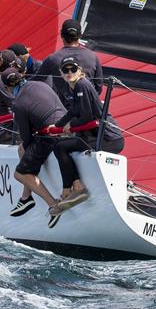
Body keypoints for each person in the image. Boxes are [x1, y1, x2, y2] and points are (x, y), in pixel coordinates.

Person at [48, 56, 124, 211]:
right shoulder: (75, 87)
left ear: (80, 71)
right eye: (66, 70)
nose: (69, 72)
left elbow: (86, 116)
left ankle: (72, 189)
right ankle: (75, 187)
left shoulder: (81, 85)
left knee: (60, 147)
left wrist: (68, 128)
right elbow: (74, 111)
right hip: (101, 137)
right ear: (61, 73)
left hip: (108, 139)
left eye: (73, 69)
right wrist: (57, 125)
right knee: (61, 145)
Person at [9, 79, 68, 228]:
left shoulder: (18, 103)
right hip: (67, 127)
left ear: (9, 87)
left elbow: (26, 137)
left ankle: (54, 206)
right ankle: (26, 197)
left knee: (20, 174)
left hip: (51, 136)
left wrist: (29, 165)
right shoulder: (39, 84)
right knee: (21, 150)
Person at [36, 19, 103, 106]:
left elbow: (35, 82)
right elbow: (98, 88)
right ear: (80, 36)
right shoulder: (93, 56)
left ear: (61, 34)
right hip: (89, 110)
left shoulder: (52, 59)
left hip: (63, 111)